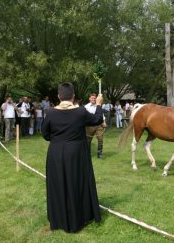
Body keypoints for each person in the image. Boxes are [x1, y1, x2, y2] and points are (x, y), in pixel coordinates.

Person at [42, 82, 103, 233]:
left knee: (58, 183)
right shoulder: (80, 112)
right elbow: (97, 119)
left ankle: (59, 218)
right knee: (77, 182)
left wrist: (58, 141)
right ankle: (78, 216)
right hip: (76, 153)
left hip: (56, 152)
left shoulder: (50, 113)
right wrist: (100, 104)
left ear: (58, 96)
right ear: (73, 96)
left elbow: (45, 134)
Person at [85, 93, 106, 158]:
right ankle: (87, 154)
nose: (93, 99)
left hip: (99, 126)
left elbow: (101, 115)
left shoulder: (99, 106)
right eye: (92, 98)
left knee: (100, 139)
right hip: (89, 126)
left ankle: (99, 154)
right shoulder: (86, 107)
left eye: (95, 98)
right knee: (88, 140)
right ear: (89, 99)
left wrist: (104, 122)